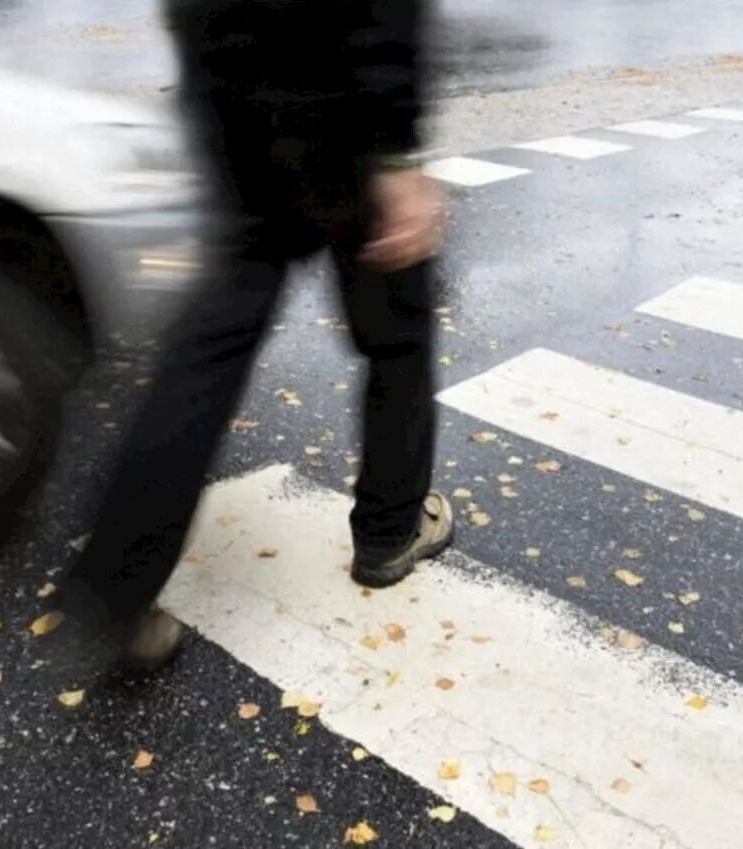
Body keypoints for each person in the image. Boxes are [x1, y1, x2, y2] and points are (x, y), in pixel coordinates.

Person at [60, 0, 453, 671]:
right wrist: (395, 150)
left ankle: (116, 587)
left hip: (233, 102)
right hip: (340, 110)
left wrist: (209, 93)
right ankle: (389, 532)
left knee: (205, 357)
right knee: (398, 333)